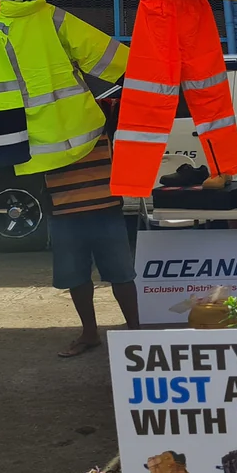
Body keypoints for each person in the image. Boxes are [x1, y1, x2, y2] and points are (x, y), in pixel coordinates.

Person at [45, 133, 140, 356]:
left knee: (121, 273)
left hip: (105, 204)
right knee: (75, 276)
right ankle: (89, 333)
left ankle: (136, 333)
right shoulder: (42, 117)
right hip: (62, 206)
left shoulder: (105, 112)